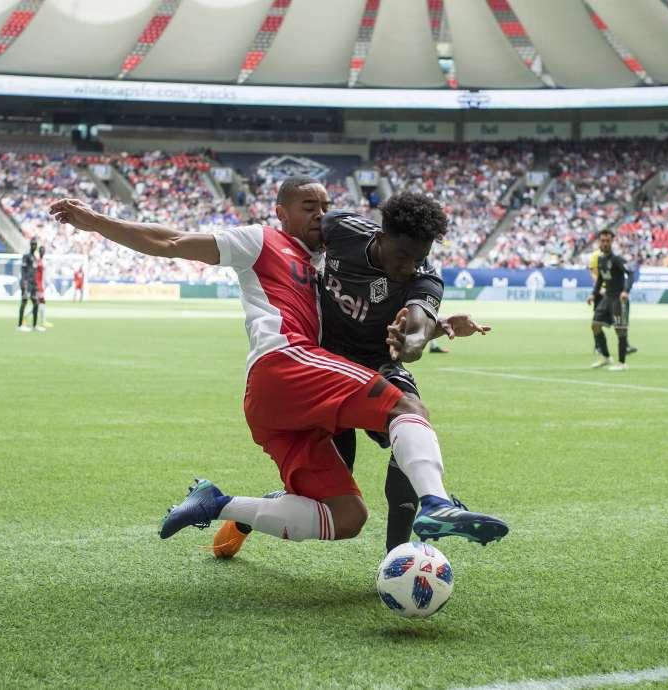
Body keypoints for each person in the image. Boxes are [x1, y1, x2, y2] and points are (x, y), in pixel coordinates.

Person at [49, 180, 508, 548]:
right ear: (281, 212)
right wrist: (96, 222)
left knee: (346, 513)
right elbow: (170, 240)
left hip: (307, 388)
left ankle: (219, 505)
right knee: (404, 410)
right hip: (294, 364)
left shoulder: (327, 258)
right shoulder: (264, 239)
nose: (321, 215)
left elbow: (397, 317)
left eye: (325, 205)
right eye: (309, 207)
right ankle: (436, 505)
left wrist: (430, 328)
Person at [210, 206, 492, 559]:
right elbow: (303, 246)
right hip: (325, 364)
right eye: (402, 255)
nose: (408, 267)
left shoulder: (425, 278)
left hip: (379, 363)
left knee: (411, 418)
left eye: (418, 258)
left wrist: (409, 342)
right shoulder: (341, 229)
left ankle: (401, 553)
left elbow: (418, 332)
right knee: (326, 495)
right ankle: (243, 518)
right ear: (381, 236)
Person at [589, 229, 633, 371]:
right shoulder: (600, 259)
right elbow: (600, 279)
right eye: (603, 241)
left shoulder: (617, 259)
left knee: (620, 330)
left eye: (608, 241)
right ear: (599, 242)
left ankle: (622, 363)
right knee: (595, 325)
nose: (605, 243)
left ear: (612, 242)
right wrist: (593, 294)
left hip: (618, 298)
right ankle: (606, 357)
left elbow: (630, 274)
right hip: (607, 297)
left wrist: (626, 291)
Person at [18, 239, 41, 332]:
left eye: (35, 245)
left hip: (33, 283)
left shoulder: (35, 257)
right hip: (26, 282)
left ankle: (34, 325)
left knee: (36, 303)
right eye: (33, 244)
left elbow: (34, 272)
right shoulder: (26, 256)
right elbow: (23, 270)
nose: (34, 246)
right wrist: (24, 281)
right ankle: (20, 325)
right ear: (30, 245)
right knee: (24, 302)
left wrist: (35, 283)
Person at [35, 245, 52, 328]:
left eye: (43, 251)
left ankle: (43, 321)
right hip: (38, 285)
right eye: (42, 251)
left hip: (40, 285)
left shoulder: (42, 261)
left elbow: (44, 275)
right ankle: (42, 321)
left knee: (40, 303)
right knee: (40, 302)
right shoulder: (38, 261)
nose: (43, 252)